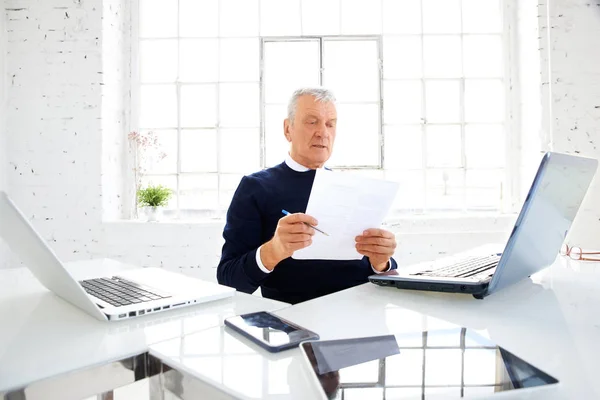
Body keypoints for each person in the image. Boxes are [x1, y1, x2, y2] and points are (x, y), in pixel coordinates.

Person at [217, 87, 398, 304]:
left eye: (330, 124)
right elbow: (228, 279)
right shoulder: (255, 187)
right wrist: (273, 250)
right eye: (312, 122)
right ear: (288, 129)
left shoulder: (354, 189)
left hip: (366, 314)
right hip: (296, 324)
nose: (323, 132)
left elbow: (383, 272)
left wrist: (382, 262)